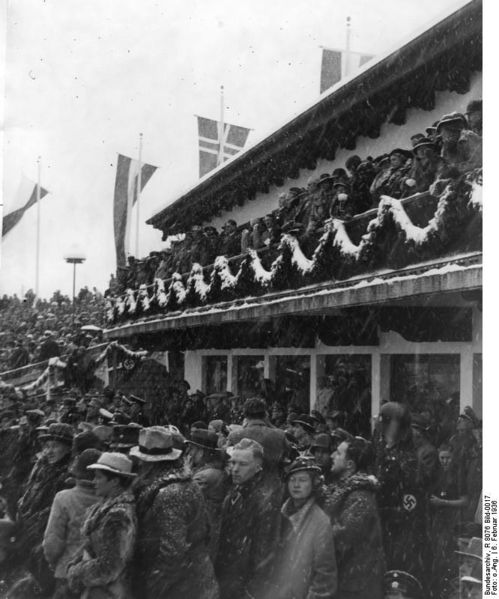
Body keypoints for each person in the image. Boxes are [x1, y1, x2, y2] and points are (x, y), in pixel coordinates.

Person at [131, 427, 218, 599]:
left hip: (182, 586)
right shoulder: (185, 483)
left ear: (151, 463)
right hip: (194, 578)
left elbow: (173, 552)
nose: (140, 465)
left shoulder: (170, 493)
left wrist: (153, 586)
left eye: (142, 461)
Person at [216, 438, 281, 599]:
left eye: (243, 464)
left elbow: (264, 552)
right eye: (233, 462)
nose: (235, 469)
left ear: (258, 467)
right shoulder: (236, 489)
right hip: (227, 575)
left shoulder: (264, 500)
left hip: (244, 583)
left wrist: (253, 590)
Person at [67, 452, 137, 599]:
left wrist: (77, 572)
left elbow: (110, 567)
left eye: (99, 477)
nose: (94, 481)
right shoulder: (106, 506)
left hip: (109, 592)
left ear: (115, 481)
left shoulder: (118, 516)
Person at [15, 423, 74, 595]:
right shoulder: (43, 466)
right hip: (28, 528)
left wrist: (34, 523)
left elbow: (57, 511)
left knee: (44, 578)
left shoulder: (68, 476)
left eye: (55, 446)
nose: (49, 451)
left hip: (46, 535)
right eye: (47, 446)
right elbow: (29, 490)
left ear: (68, 448)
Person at [265, 457, 337, 599]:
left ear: (313, 484)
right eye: (292, 480)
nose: (296, 485)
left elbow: (325, 572)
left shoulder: (320, 521)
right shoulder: (279, 513)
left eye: (302, 480)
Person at [375, 402, 427, 586]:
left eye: (383, 422)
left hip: (398, 530)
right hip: (385, 526)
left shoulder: (405, 459)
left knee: (398, 579)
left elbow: (410, 503)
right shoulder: (383, 450)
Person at [326, 437, 385, 599]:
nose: (332, 456)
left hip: (357, 583)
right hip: (349, 578)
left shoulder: (360, 496)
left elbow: (344, 537)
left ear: (350, 465)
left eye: (338, 453)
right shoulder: (344, 489)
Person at [43, 448, 102, 598]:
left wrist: (53, 563)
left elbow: (52, 541)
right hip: (98, 577)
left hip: (66, 572)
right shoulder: (108, 500)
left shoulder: (64, 498)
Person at [428, 443, 468, 597]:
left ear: (453, 458)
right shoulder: (437, 473)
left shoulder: (458, 475)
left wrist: (443, 503)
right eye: (442, 458)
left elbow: (464, 501)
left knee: (449, 554)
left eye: (448, 458)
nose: (445, 461)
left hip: (452, 518)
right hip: (438, 518)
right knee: (437, 553)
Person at [227, 397, 290, 493]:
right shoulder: (279, 435)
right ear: (265, 414)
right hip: (272, 488)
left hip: (243, 489)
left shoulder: (235, 436)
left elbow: (227, 462)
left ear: (245, 415)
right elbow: (288, 457)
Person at [186, 428, 229, 559]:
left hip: (205, 530)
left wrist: (186, 471)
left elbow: (186, 495)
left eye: (192, 449)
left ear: (201, 452)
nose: (189, 453)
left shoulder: (204, 476)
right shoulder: (214, 469)